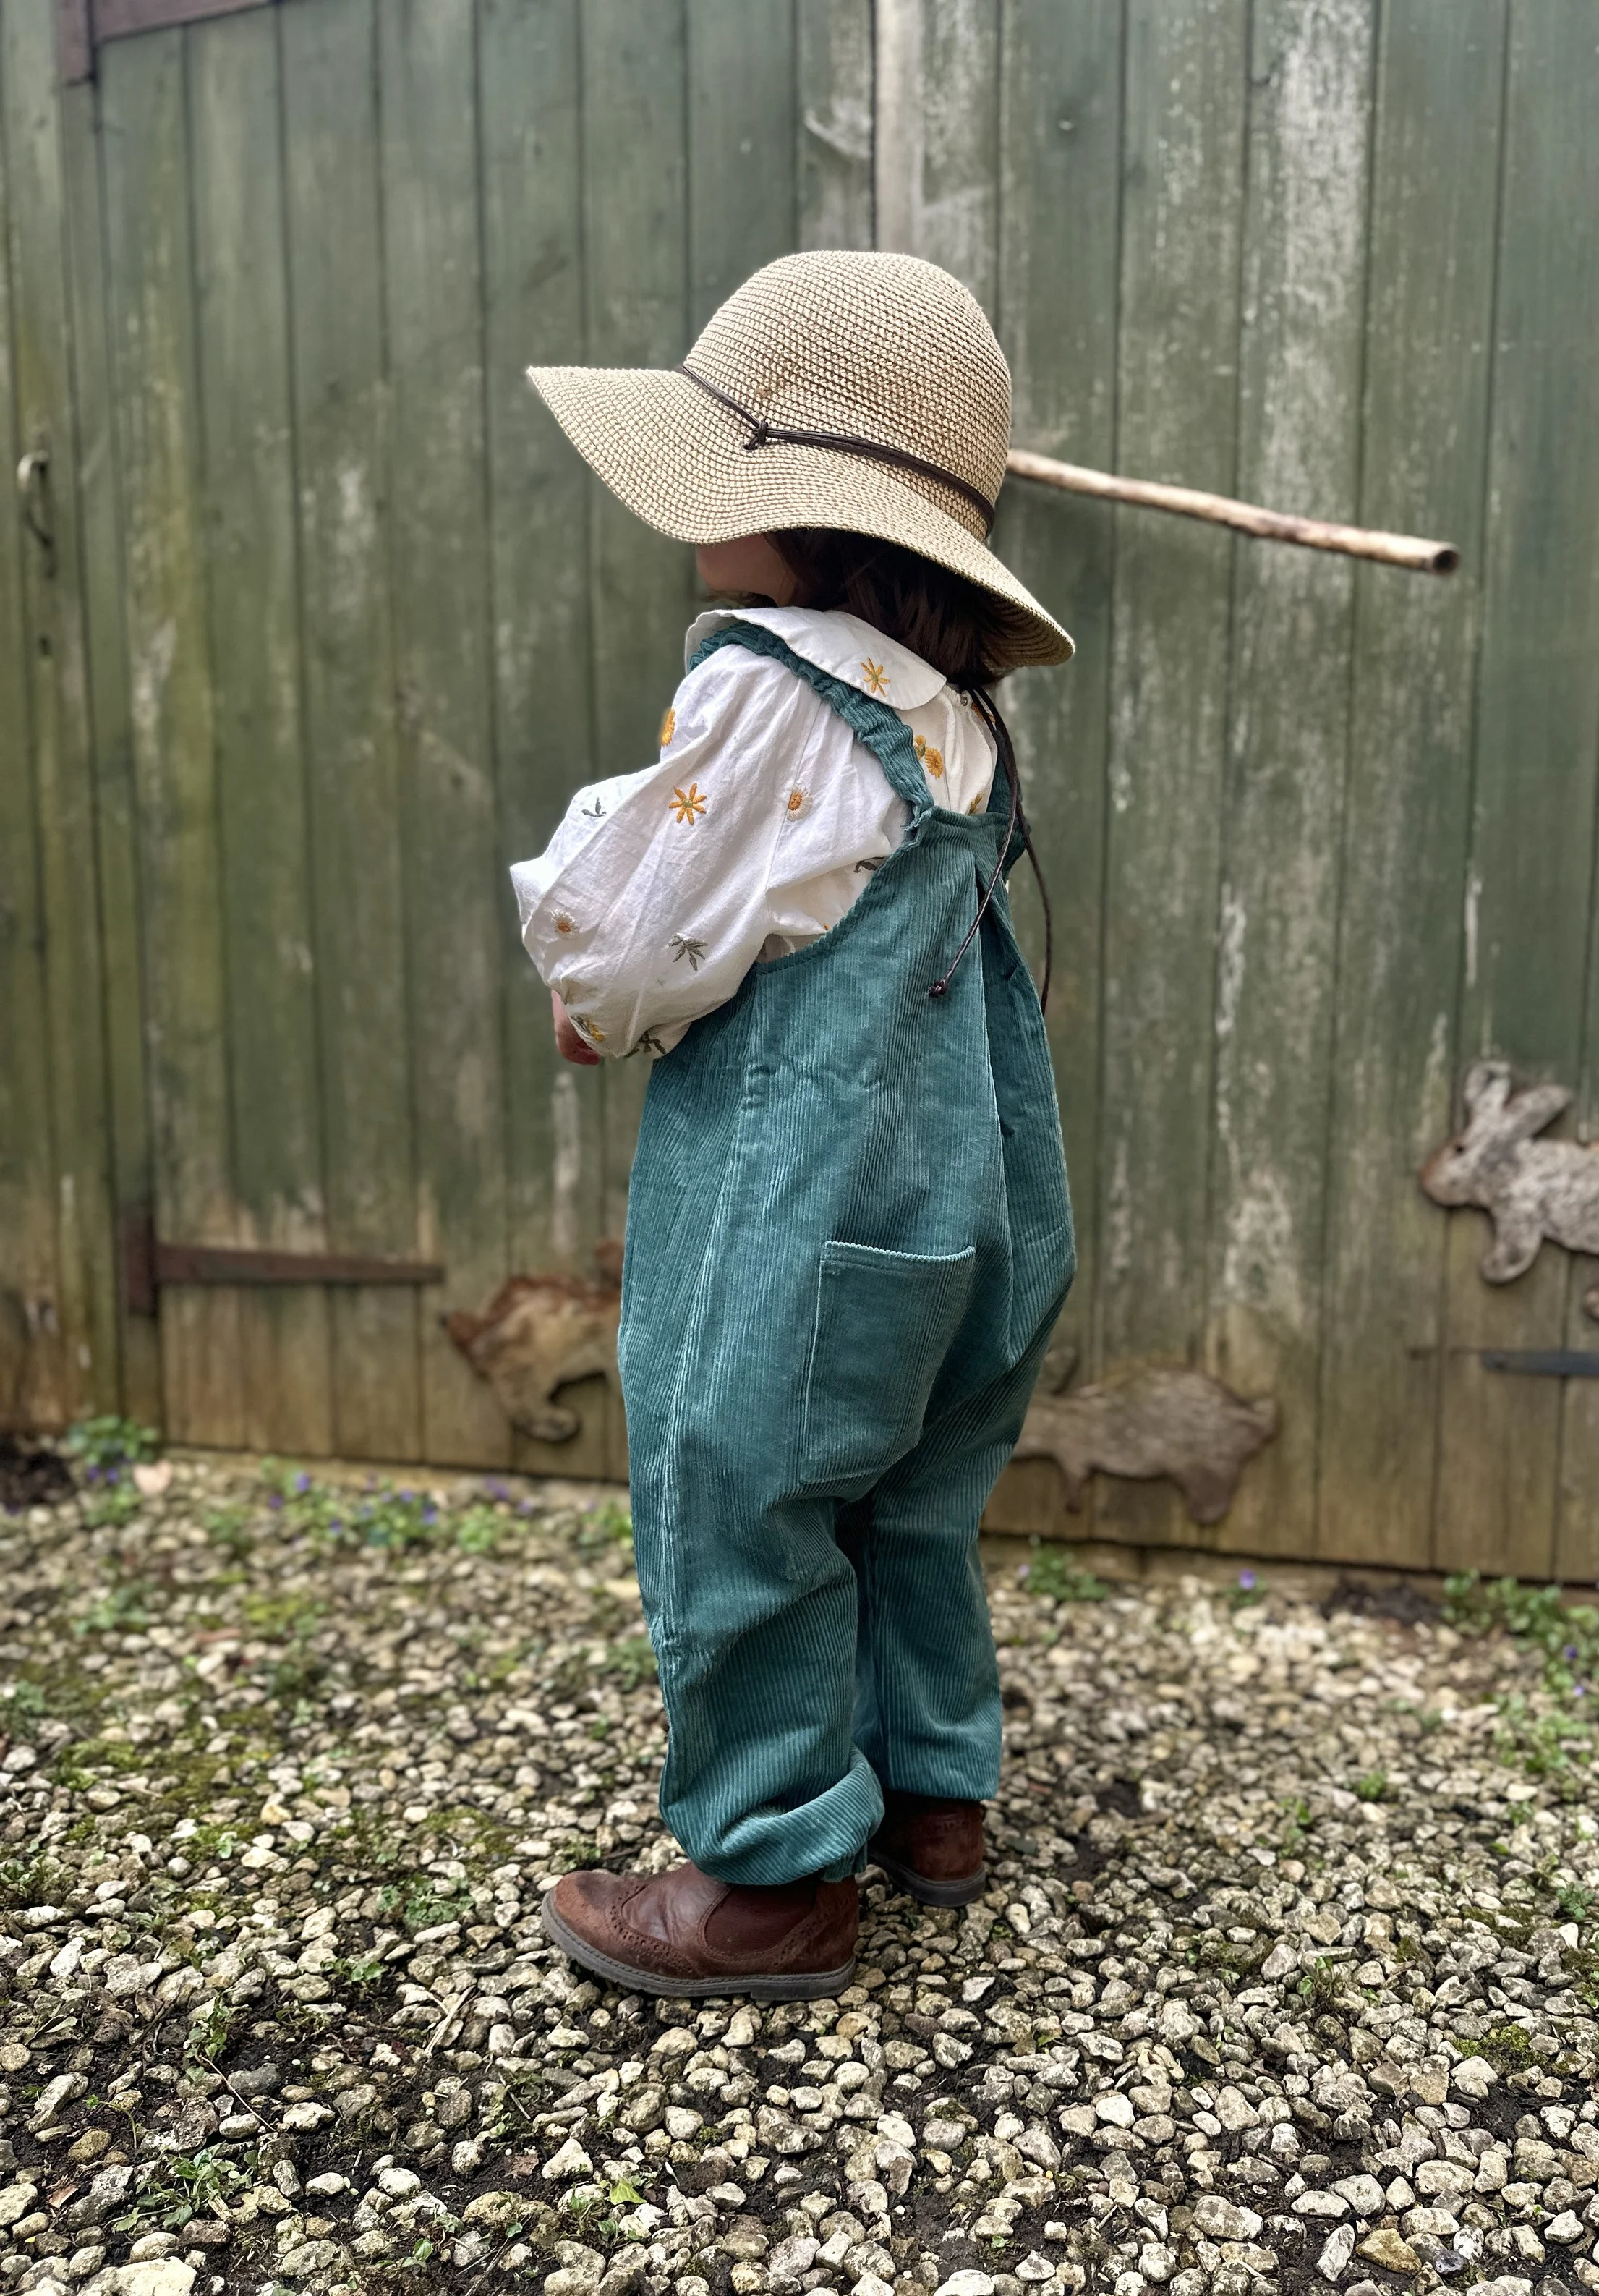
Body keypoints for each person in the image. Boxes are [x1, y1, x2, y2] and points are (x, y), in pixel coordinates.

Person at [513, 250, 1074, 1999]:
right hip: (966, 1192)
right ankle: (932, 1799)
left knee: (733, 1476)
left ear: (813, 518)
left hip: (801, 1188)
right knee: (909, 1488)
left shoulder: (770, 679)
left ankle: (770, 1879)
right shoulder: (954, 711)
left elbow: (631, 925)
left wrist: (587, 1002)